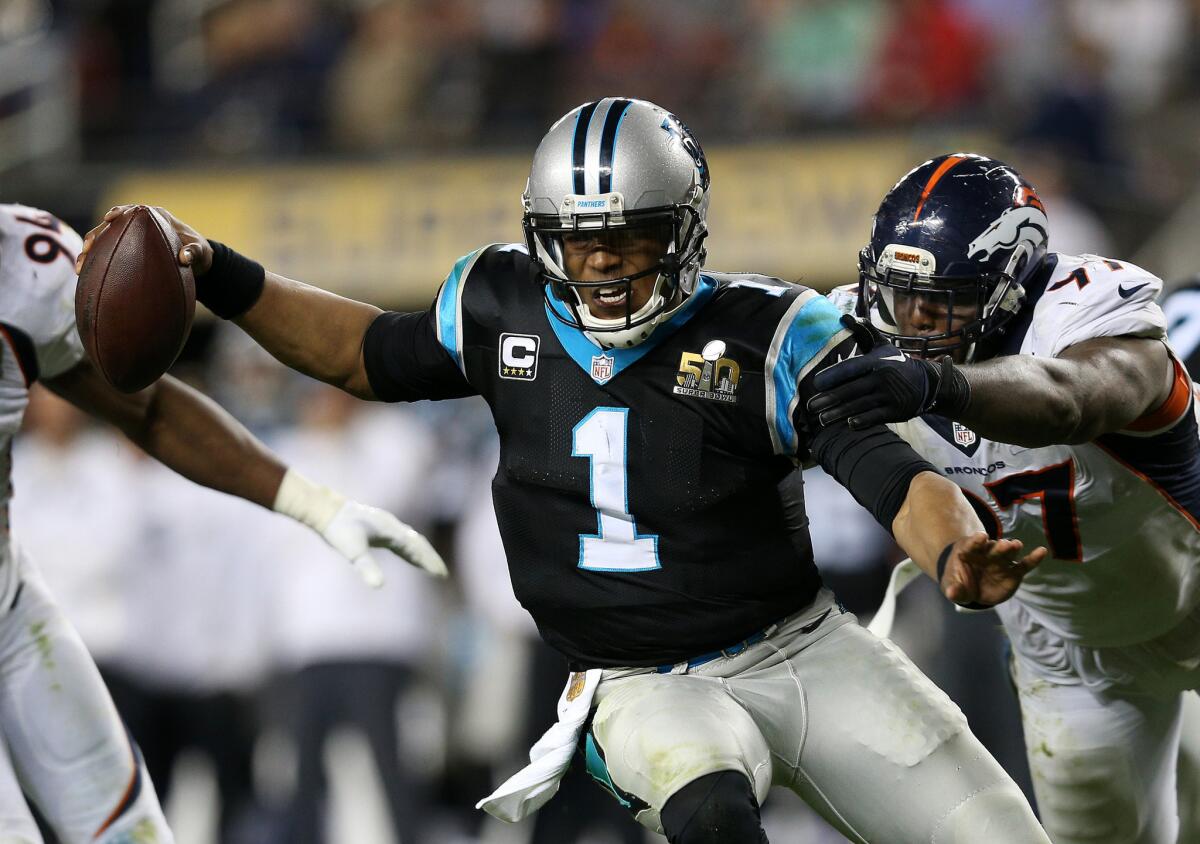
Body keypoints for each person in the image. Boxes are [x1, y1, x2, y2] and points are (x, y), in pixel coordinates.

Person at [85, 99, 1052, 844]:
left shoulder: (766, 332)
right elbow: (365, 353)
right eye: (580, 241)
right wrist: (221, 272)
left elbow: (880, 466)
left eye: (628, 240)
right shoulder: (501, 303)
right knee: (710, 811)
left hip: (803, 650)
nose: (601, 268)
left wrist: (955, 551)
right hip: (640, 681)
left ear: (682, 231)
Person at [0, 203, 447, 844]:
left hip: (12, 605)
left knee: (131, 830)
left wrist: (314, 505)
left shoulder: (25, 259)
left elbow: (148, 410)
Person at [809, 152, 1200, 844]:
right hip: (1071, 646)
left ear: (1009, 288)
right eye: (900, 294)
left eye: (945, 298)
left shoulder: (1090, 314)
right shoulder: (850, 333)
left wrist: (941, 387)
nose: (916, 319)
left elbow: (1070, 399)